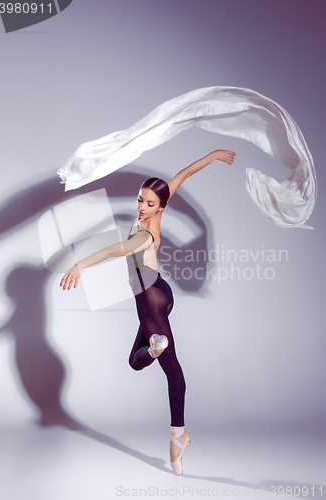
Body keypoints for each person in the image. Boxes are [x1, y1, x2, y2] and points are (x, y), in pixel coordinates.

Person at [60, 149, 236, 474]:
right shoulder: (153, 215)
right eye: (140, 199)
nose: (141, 206)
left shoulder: (143, 235)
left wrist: (80, 264)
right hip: (160, 292)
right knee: (135, 360)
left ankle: (178, 435)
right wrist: (211, 156)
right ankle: (154, 347)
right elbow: (181, 176)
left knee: (171, 371)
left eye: (149, 203)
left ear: (161, 207)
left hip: (150, 301)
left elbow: (116, 249)